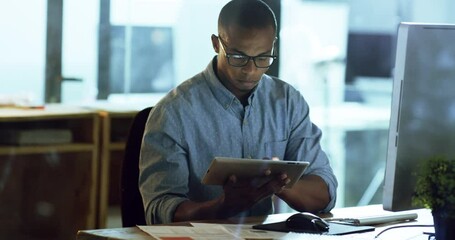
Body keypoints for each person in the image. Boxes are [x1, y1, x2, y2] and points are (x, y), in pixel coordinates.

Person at [139, 0, 338, 224]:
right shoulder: (173, 113)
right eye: (238, 57)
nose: (251, 70)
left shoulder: (287, 102)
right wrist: (222, 206)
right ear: (216, 44)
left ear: (273, 46)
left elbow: (325, 194)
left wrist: (278, 184)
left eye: (263, 57)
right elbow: (158, 212)